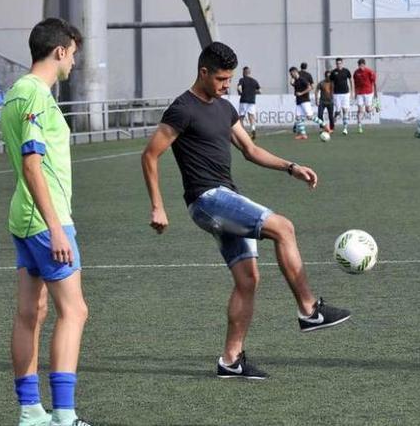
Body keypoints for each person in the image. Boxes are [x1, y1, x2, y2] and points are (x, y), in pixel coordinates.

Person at [141, 42, 351, 381]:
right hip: (207, 199)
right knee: (283, 227)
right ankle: (310, 309)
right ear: (203, 72)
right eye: (222, 78)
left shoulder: (224, 109)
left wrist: (291, 166)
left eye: (230, 79)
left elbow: (250, 149)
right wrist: (157, 206)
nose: (227, 85)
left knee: (248, 280)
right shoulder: (182, 108)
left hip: (225, 197)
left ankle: (230, 360)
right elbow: (150, 155)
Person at [0, 18, 92, 426]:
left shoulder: (14, 94)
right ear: (59, 51)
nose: (74, 61)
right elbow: (31, 164)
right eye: (73, 54)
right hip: (45, 218)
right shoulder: (36, 94)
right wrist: (56, 227)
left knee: (29, 313)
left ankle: (31, 411)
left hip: (23, 216)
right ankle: (65, 415)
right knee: (74, 312)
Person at [290, 66, 328, 140]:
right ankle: (303, 135)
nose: (291, 75)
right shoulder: (296, 80)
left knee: (310, 117)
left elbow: (310, 87)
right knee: (298, 117)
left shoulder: (302, 79)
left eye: (291, 74)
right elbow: (296, 86)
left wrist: (301, 93)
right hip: (299, 101)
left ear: (295, 72)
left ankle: (325, 126)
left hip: (305, 100)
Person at [329, 58, 354, 135]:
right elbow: (331, 84)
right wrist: (331, 93)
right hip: (336, 94)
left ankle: (345, 129)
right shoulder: (333, 72)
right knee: (338, 111)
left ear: (342, 63)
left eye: (340, 63)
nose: (338, 64)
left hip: (345, 94)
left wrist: (352, 91)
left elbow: (350, 80)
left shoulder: (346, 71)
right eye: (337, 63)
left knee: (345, 110)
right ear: (335, 64)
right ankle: (333, 120)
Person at [352, 58, 377, 134]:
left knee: (368, 110)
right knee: (360, 110)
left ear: (364, 65)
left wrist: (375, 93)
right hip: (360, 93)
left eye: (362, 65)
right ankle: (359, 126)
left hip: (368, 93)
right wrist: (355, 93)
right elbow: (355, 84)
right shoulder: (356, 73)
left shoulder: (369, 72)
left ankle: (375, 105)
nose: (361, 67)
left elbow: (374, 83)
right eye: (359, 65)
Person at [237, 66, 261, 140]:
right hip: (252, 101)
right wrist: (253, 92)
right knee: (251, 116)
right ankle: (253, 130)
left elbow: (239, 88)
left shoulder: (242, 79)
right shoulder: (254, 81)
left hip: (244, 100)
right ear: (249, 72)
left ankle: (242, 133)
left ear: (244, 72)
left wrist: (240, 92)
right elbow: (259, 91)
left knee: (241, 117)